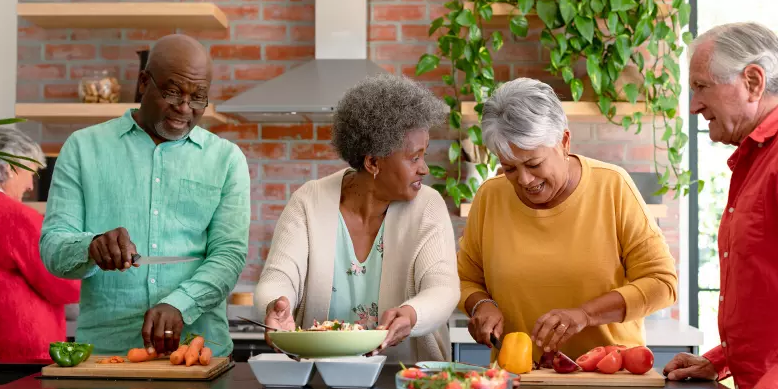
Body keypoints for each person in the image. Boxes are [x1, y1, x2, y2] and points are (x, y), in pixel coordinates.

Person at [40, 34, 250, 358]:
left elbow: (229, 256)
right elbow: (53, 248)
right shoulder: (82, 149)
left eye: (198, 98)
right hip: (106, 357)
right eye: (172, 92)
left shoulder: (226, 159)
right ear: (143, 83)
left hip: (197, 356)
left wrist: (180, 304)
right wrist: (90, 246)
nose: (184, 108)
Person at [458, 77, 678, 362]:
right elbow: (465, 279)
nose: (524, 180)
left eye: (534, 164)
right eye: (509, 168)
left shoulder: (613, 187)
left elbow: (662, 283)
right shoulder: (491, 196)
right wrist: (481, 305)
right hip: (522, 378)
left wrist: (586, 315)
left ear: (564, 141)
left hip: (608, 375)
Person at [254, 74, 460, 363]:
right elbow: (279, 276)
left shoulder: (428, 206)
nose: (424, 168)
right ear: (373, 162)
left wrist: (412, 314)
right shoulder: (309, 201)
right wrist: (275, 305)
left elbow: (443, 287)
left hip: (403, 375)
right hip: (318, 374)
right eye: (414, 157)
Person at [663, 22, 778, 389]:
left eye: (701, 87)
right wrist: (718, 360)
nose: (694, 105)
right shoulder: (755, 159)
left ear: (753, 82)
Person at [0, 127, 81, 363]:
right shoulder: (16, 216)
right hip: (21, 348)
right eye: (31, 173)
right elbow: (62, 283)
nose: (29, 186)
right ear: (12, 167)